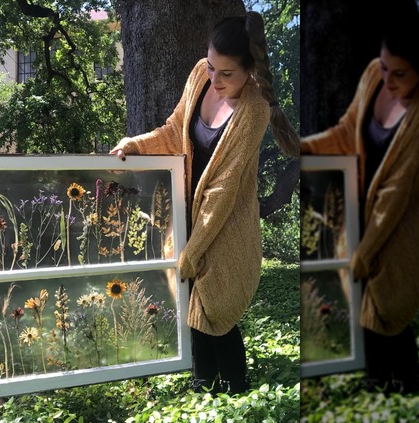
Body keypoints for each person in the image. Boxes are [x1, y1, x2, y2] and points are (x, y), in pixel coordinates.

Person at [111, 11, 299, 394]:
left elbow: (223, 188)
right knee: (188, 296)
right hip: (184, 209)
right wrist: (136, 144)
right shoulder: (200, 74)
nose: (215, 79)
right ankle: (202, 381)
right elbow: (172, 129)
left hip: (225, 220)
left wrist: (194, 248)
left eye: (227, 73)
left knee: (216, 303)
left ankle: (234, 387)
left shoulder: (255, 107)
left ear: (249, 71)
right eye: (212, 67)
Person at [300, 11, 419, 393]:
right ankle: (375, 379)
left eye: (399, 74)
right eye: (385, 67)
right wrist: (302, 149)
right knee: (359, 296)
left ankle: (405, 382)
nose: (387, 79)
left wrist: (367, 249)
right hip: (356, 211)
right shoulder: (373, 75)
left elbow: (396, 191)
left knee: (390, 298)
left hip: (399, 223)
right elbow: (345, 132)